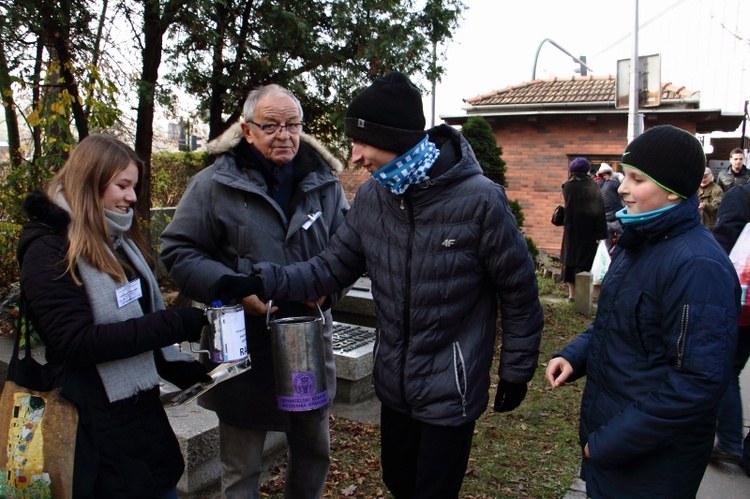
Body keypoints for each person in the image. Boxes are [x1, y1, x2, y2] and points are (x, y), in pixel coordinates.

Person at [209, 71, 544, 499]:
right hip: (394, 385)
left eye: (362, 143)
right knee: (398, 482)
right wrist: (261, 278)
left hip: (450, 385)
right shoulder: (373, 198)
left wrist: (516, 371)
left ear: (395, 139)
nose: (355, 157)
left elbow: (519, 293)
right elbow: (329, 268)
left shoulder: (480, 200)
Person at [160, 84, 350, 499]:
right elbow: (178, 250)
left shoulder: (325, 184)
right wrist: (232, 291)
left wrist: (328, 291)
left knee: (313, 451)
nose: (284, 135)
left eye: (293, 125)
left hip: (307, 341)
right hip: (243, 344)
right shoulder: (213, 185)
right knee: (242, 465)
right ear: (247, 131)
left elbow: (349, 251)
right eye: (271, 126)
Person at [545, 125, 740, 498]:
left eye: (636, 179)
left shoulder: (698, 267)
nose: (621, 187)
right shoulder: (638, 244)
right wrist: (575, 356)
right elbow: (616, 323)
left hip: (651, 462)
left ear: (671, 190)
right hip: (616, 448)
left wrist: (607, 443)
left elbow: (696, 384)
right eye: (625, 175)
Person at [17, 134, 210, 498]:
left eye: (134, 186)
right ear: (91, 182)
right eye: (123, 185)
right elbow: (77, 342)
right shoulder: (48, 250)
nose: (133, 197)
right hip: (90, 431)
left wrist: (187, 370)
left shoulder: (114, 241)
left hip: (140, 426)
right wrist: (173, 324)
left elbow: (135, 318)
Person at [710, 181, 750, 475]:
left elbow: (723, 248)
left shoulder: (742, 196)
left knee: (729, 368)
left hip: (745, 304)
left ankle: (731, 442)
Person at [560, 157, 607, 301]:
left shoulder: (566, 186)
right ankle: (584, 296)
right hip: (588, 229)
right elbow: (599, 210)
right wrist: (601, 233)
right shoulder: (593, 186)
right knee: (585, 262)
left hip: (571, 229)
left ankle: (571, 295)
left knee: (570, 261)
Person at [594, 163, 624, 251]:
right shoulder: (612, 183)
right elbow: (623, 189)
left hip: (604, 219)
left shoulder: (597, 185)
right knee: (622, 243)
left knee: (605, 246)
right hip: (616, 217)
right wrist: (618, 175)